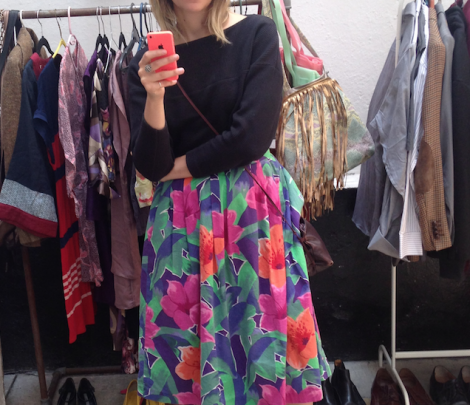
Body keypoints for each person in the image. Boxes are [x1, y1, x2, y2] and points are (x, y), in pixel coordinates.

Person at [128, 0, 330, 403]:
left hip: (250, 220)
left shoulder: (256, 34)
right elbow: (151, 164)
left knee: (262, 343)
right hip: (181, 227)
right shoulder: (145, 65)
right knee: (186, 354)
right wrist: (153, 96)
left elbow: (251, 138)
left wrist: (177, 167)